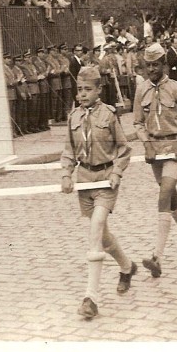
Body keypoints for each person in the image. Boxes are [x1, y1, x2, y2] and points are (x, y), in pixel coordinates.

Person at [60, 67, 135, 319]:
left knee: (95, 231)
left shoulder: (109, 115)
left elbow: (124, 149)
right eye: (79, 89)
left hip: (105, 180)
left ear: (99, 90)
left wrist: (117, 173)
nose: (82, 94)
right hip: (84, 181)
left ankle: (91, 298)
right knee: (102, 235)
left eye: (88, 89)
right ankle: (127, 267)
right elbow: (69, 151)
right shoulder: (73, 117)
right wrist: (66, 174)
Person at [133, 43, 177, 279]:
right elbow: (137, 122)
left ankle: (157, 257)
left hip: (173, 150)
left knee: (164, 196)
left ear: (164, 65)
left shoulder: (175, 88)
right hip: (154, 152)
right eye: (148, 65)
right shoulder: (141, 90)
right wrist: (146, 143)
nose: (152, 69)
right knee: (171, 198)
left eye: (156, 65)